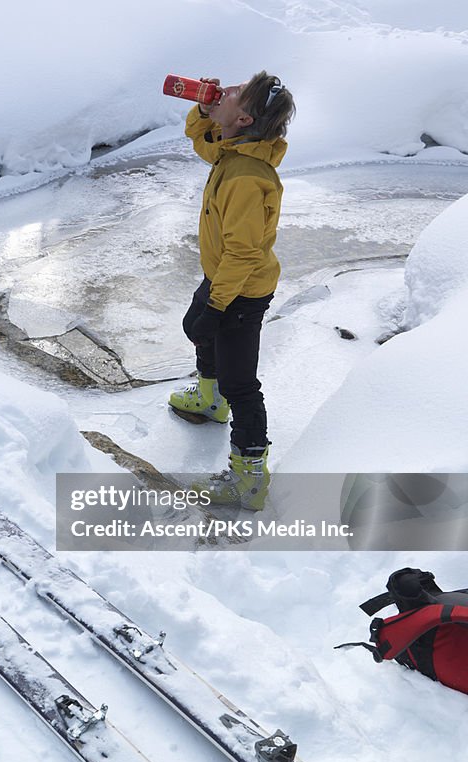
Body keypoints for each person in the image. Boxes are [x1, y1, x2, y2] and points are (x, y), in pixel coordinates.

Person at [168, 72, 295, 510]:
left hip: (240, 289)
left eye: (234, 94)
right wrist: (204, 110)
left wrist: (218, 304)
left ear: (242, 117)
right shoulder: (234, 150)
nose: (225, 91)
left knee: (242, 383)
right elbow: (203, 142)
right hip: (223, 277)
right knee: (200, 329)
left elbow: (244, 253)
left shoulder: (244, 177)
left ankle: (249, 477)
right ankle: (209, 397)